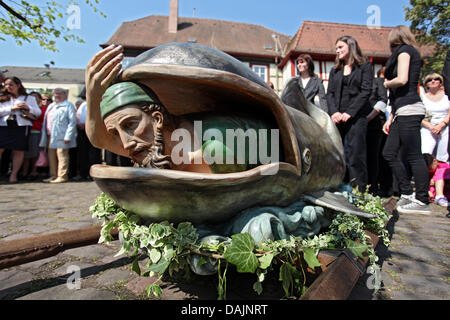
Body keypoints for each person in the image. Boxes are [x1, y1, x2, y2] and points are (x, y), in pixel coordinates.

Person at [84, 45, 280, 173]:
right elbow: (99, 139)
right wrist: (93, 96)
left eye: (130, 124)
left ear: (158, 118)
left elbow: (211, 203)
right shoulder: (149, 144)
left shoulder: (214, 148)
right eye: (116, 133)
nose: (125, 144)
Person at [382, 25, 431, 215]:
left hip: (410, 108)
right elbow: (398, 92)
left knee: (413, 155)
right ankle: (407, 192)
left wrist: (384, 83)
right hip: (401, 110)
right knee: (389, 152)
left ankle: (422, 199)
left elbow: (402, 80)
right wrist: (391, 117)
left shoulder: (404, 51)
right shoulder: (404, 52)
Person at [326, 35, 373, 192]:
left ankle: (358, 190)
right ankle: (340, 188)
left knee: (356, 155)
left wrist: (350, 112)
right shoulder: (335, 70)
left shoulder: (365, 66)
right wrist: (334, 112)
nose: (337, 50)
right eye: (336, 48)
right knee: (339, 154)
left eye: (340, 47)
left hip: (356, 117)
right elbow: (330, 94)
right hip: (338, 118)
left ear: (350, 47)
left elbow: (366, 91)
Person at [0, 77, 41, 183]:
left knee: (18, 150)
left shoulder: (28, 98)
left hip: (21, 125)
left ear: (18, 85)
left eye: (11, 85)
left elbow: (38, 112)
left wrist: (28, 108)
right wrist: (11, 109)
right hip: (4, 125)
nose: (8, 87)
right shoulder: (2, 97)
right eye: (6, 85)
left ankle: (13, 175)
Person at [39, 88, 77, 183]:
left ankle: (62, 175)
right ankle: (53, 175)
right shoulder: (51, 106)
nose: (57, 95)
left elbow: (72, 122)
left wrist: (68, 136)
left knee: (62, 155)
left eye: (59, 93)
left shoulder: (68, 106)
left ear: (65, 95)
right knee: (51, 156)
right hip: (50, 134)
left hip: (62, 135)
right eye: (55, 94)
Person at [366, 66, 389, 195]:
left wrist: (369, 117)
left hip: (374, 124)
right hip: (360, 124)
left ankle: (373, 187)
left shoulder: (378, 82)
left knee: (374, 156)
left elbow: (382, 101)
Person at [420, 73, 450, 163]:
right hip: (427, 128)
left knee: (443, 156)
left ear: (440, 82)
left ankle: (441, 176)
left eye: (436, 79)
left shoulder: (447, 97)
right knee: (425, 153)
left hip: (444, 127)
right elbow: (418, 115)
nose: (433, 81)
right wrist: (430, 127)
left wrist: (441, 125)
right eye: (429, 80)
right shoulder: (422, 98)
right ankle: (427, 175)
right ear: (426, 84)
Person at [74, 88, 102, 180]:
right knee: (82, 153)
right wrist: (79, 123)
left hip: (94, 131)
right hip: (82, 131)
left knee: (94, 153)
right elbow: (77, 116)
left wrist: (87, 125)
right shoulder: (83, 105)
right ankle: (83, 172)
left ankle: (93, 174)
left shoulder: (98, 103)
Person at [22, 92, 48, 179]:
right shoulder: (25, 107)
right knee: (25, 154)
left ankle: (34, 171)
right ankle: (24, 172)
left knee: (34, 153)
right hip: (26, 131)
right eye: (31, 97)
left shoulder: (43, 109)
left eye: (35, 97)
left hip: (36, 131)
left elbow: (41, 117)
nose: (33, 98)